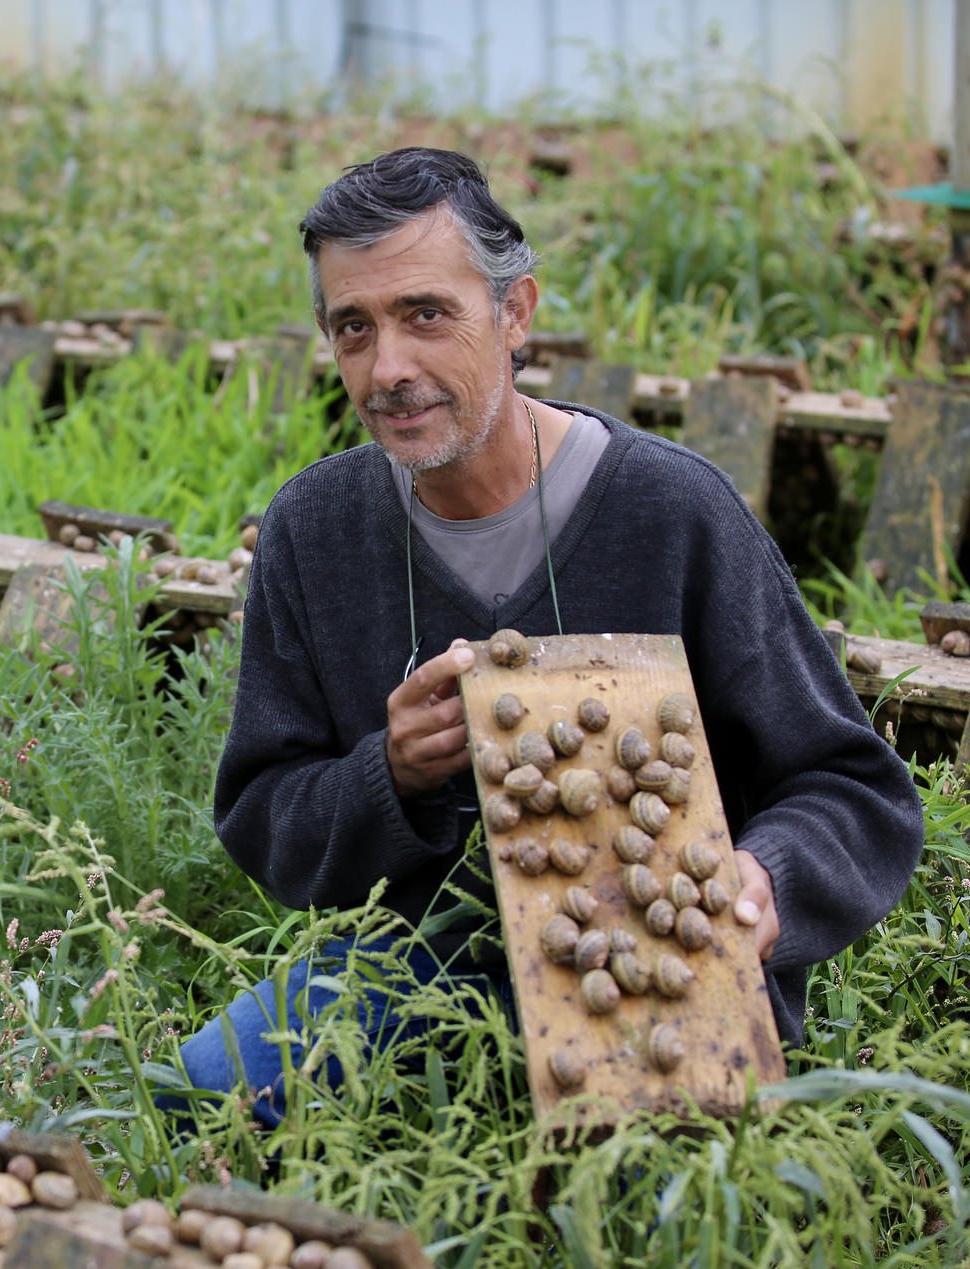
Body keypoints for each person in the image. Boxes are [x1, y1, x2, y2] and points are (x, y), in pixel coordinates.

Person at [182, 147, 924, 1127]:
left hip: (650, 973)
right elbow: (264, 816)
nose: (388, 368)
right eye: (351, 329)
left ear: (515, 311)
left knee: (633, 1212)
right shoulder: (313, 530)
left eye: (424, 315)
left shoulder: (669, 513)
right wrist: (389, 774)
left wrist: (763, 878)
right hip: (415, 969)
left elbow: (850, 789)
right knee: (190, 1098)